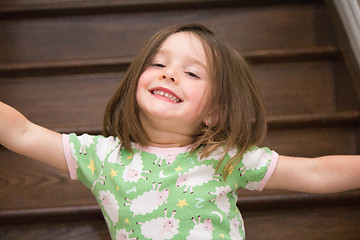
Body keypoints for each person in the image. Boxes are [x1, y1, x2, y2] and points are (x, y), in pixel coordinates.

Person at [0, 23, 359, 240]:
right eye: (158, 63)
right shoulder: (101, 157)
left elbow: (315, 172)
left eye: (192, 73)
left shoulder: (224, 159)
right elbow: (23, 134)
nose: (169, 73)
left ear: (214, 113)